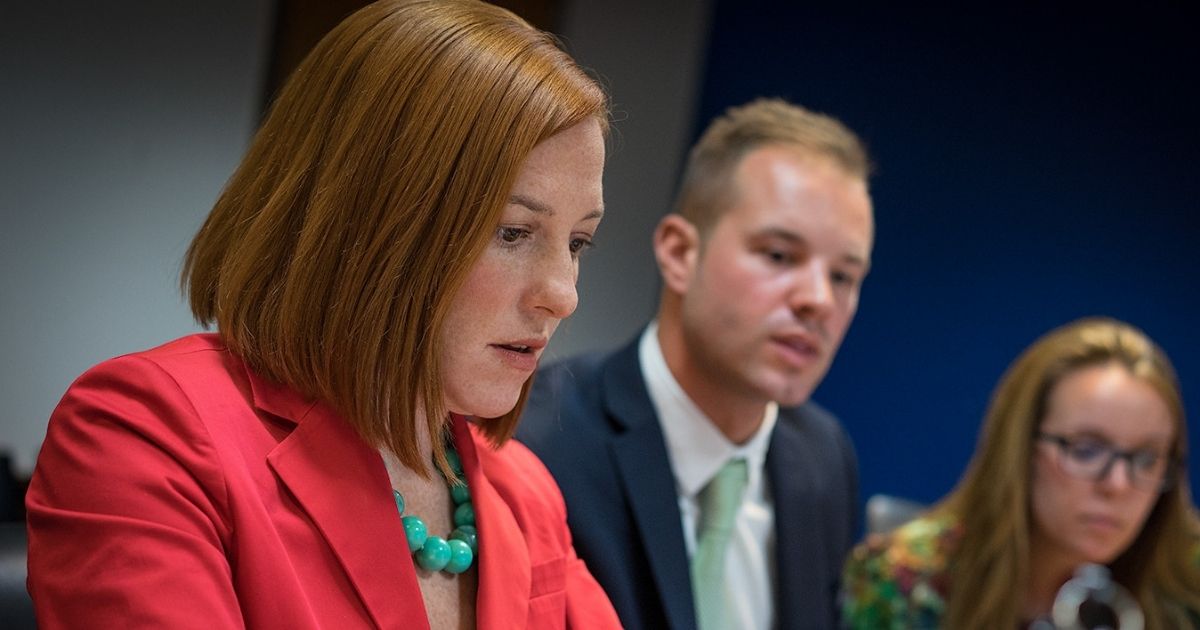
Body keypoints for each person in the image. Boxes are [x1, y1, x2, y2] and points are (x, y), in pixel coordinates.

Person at [25, 1, 622, 628]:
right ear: (369, 221)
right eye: (511, 232)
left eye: (578, 243)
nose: (563, 294)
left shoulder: (522, 494)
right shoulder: (145, 434)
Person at [517, 98, 874, 630]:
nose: (819, 299)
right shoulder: (539, 438)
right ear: (681, 253)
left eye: (844, 276)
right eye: (779, 255)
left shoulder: (824, 458)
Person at [842, 318, 1200, 629]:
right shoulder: (901, 582)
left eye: (1147, 459)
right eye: (1086, 450)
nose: (1117, 485)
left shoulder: (1190, 585)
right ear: (1020, 450)